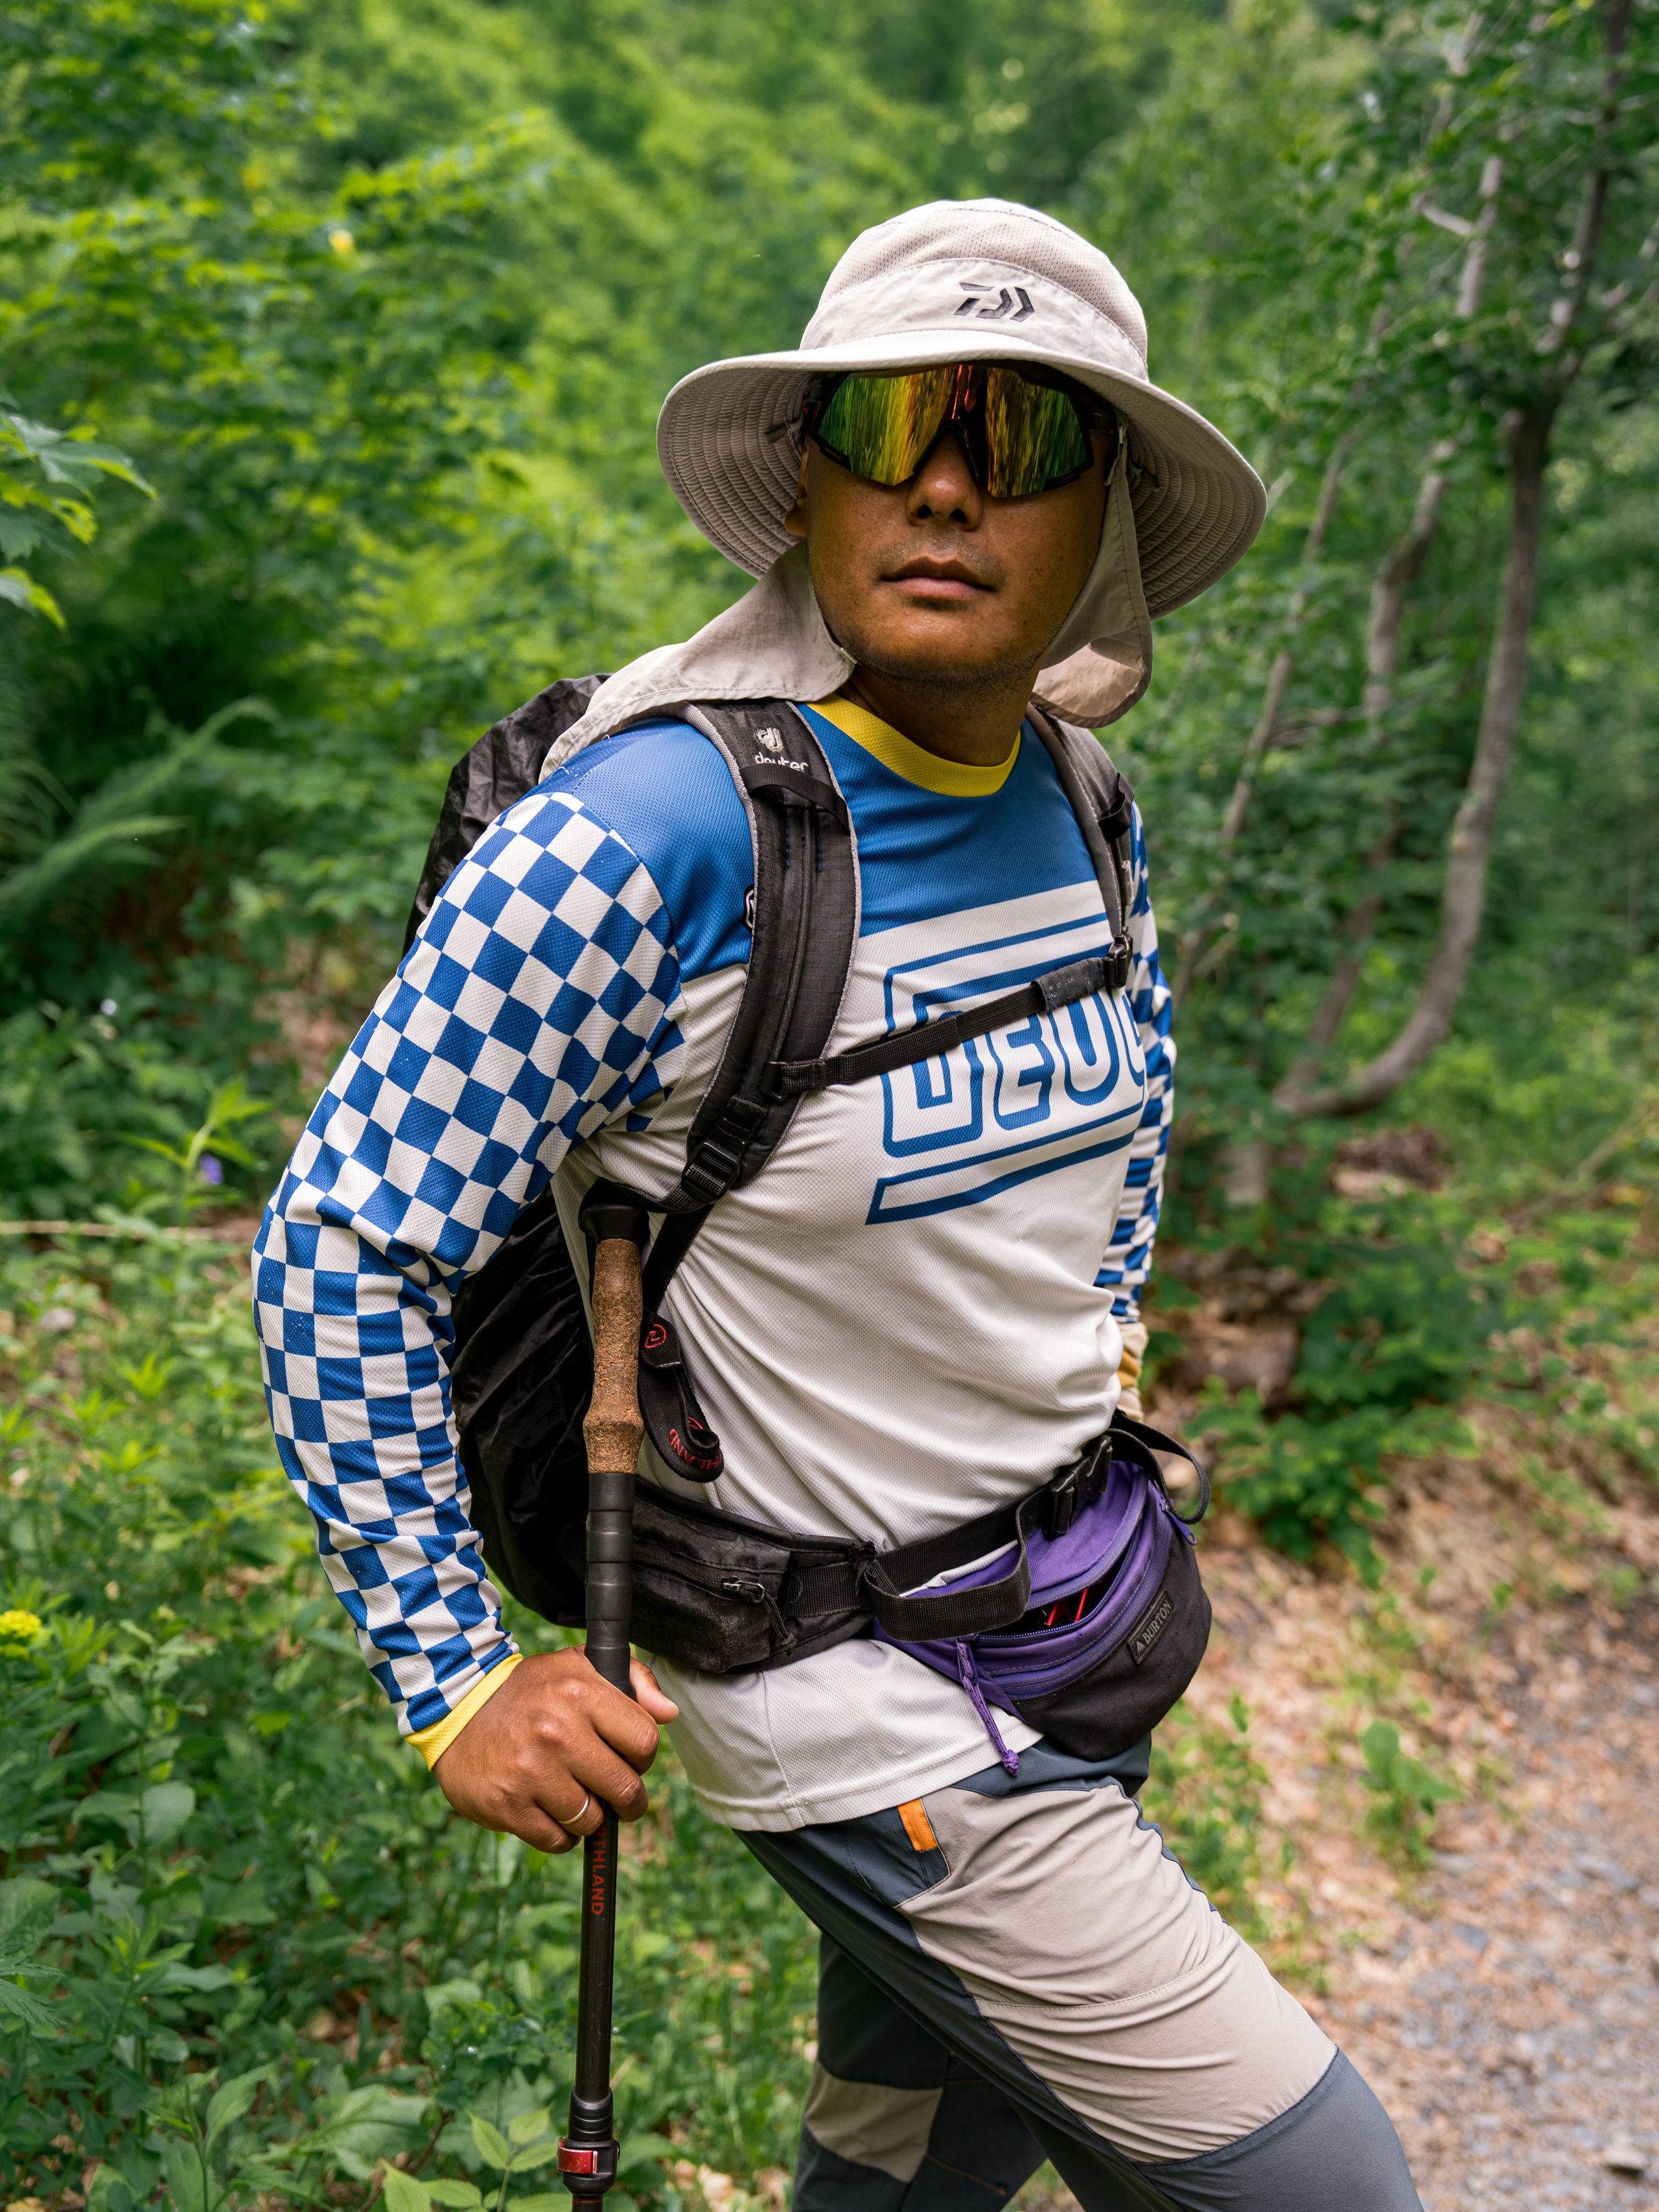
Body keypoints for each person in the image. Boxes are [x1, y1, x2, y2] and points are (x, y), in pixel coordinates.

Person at [253, 200, 1421, 2211]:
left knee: (912, 2171)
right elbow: (345, 1233)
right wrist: (451, 1675)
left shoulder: (1081, 799)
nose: (952, 483)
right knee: (1328, 2193)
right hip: (858, 1693)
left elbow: (1122, 1128)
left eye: (1028, 437)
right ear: (815, 477)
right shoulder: (653, 834)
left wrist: (1078, 1360)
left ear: (1109, 513)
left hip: (1070, 1618)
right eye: (895, 422)